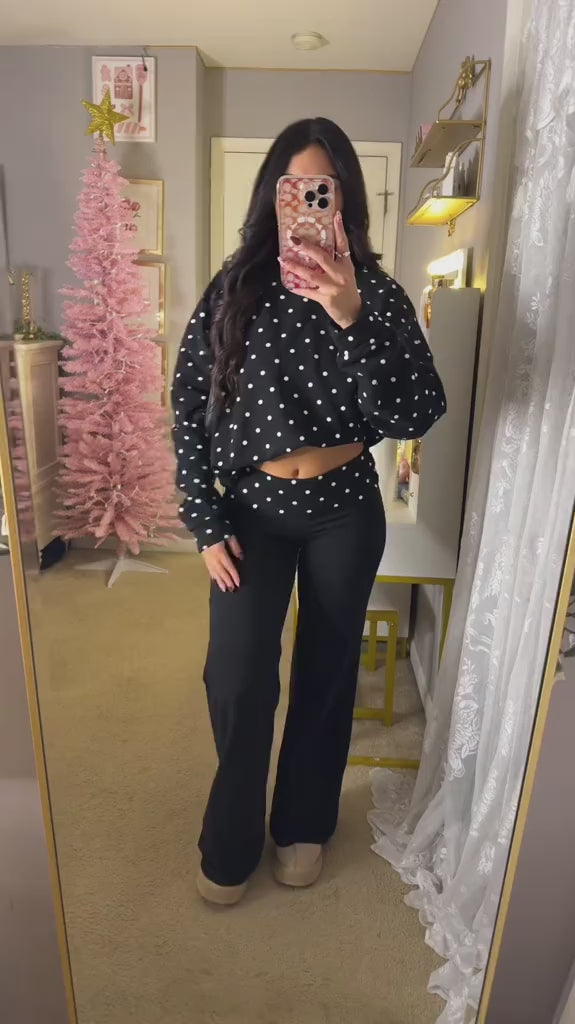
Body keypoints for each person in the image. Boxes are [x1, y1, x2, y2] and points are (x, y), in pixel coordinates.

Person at [172, 117, 446, 906]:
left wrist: (351, 316)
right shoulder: (234, 288)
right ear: (275, 196)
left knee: (327, 674)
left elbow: (417, 411)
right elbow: (188, 403)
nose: (309, 204)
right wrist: (205, 522)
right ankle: (230, 837)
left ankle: (302, 824)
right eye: (297, 188)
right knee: (237, 677)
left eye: (324, 189)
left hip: (342, 510)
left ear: (344, 198)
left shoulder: (377, 297)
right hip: (251, 511)